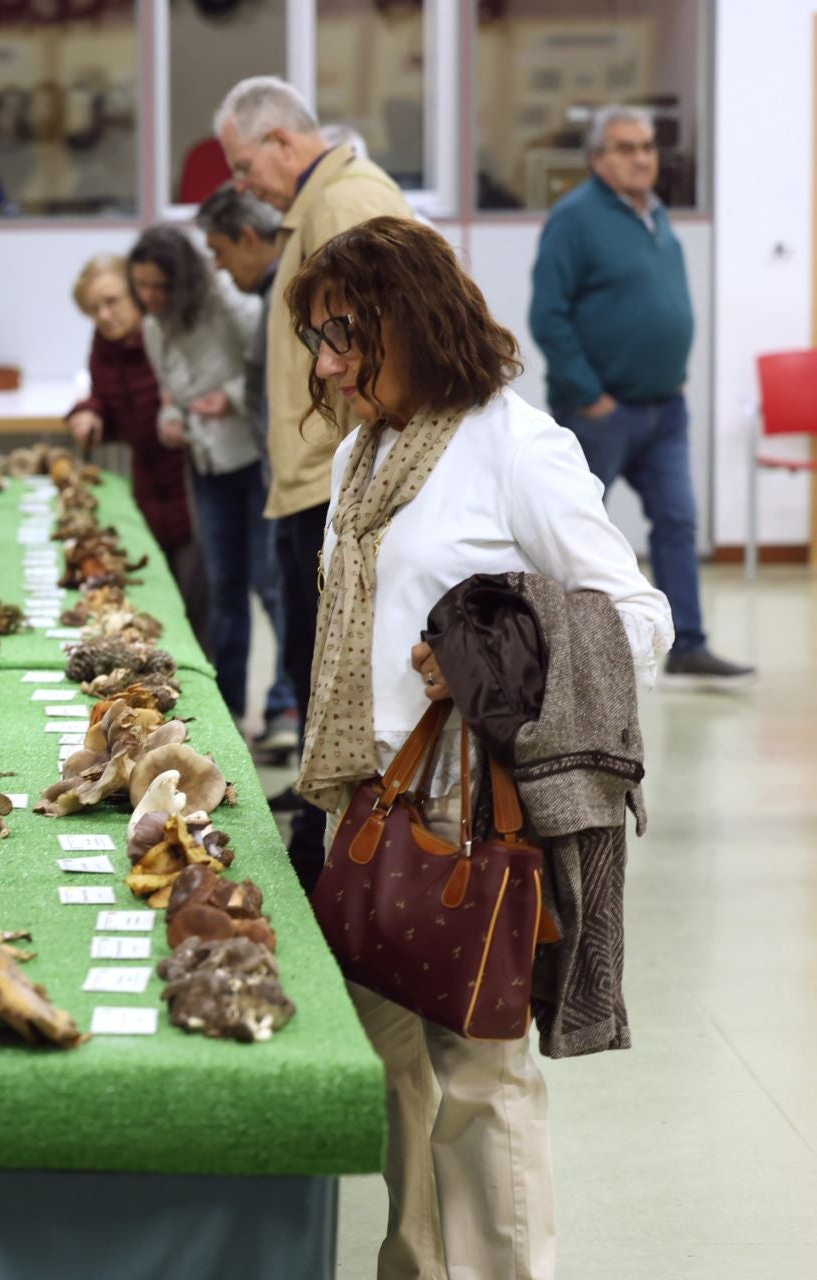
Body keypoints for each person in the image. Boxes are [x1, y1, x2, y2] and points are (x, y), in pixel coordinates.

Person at [288, 215, 672, 1280]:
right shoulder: (363, 452)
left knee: (482, 1083)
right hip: (362, 806)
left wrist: (495, 661)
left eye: (342, 336)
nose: (326, 365)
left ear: (408, 322)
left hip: (470, 816)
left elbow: (638, 618)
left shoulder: (515, 444)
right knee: (393, 1075)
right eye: (316, 339)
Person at [215, 73, 413, 886]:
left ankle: (328, 846)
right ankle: (316, 829)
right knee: (309, 661)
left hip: (335, 481)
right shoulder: (319, 204)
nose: (240, 187)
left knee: (327, 667)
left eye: (241, 166)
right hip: (314, 475)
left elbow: (387, 343)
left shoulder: (343, 206)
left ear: (282, 143)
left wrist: (360, 471)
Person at [529, 105, 752, 685]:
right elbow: (548, 316)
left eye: (648, 147)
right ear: (598, 159)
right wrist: (590, 393)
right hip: (601, 412)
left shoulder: (655, 215)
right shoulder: (574, 219)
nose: (641, 158)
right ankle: (563, 656)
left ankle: (690, 644)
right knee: (573, 532)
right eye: (626, 148)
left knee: (678, 522)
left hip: (664, 409)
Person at [126, 222, 294, 744]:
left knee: (270, 585)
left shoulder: (229, 307)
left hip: (252, 459)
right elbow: (168, 397)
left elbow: (270, 369)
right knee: (223, 589)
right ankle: (228, 714)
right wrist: (170, 420)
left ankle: (283, 708)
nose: (149, 297)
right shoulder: (155, 328)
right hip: (205, 463)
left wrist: (229, 396)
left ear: (184, 283)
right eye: (142, 286)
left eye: (159, 286)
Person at [196, 182, 297, 760]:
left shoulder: (277, 291)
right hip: (267, 464)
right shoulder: (266, 292)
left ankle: (285, 709)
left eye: (221, 250)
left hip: (275, 472)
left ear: (250, 238)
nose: (218, 265)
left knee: (276, 587)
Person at [65, 254, 207, 632]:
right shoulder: (103, 346)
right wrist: (89, 412)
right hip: (147, 484)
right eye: (94, 308)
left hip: (190, 481)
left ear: (137, 295)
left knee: (197, 602)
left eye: (112, 302)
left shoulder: (163, 335)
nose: (104, 315)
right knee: (158, 596)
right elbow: (107, 404)